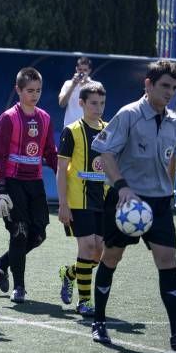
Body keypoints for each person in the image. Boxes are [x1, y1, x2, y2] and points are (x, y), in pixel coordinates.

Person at [89, 60, 176, 351]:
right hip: (127, 201)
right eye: (164, 86)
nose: (169, 92)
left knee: (168, 260)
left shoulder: (174, 121)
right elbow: (107, 154)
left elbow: (171, 159)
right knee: (111, 258)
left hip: (159, 203)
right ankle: (99, 321)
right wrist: (122, 188)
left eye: (173, 87)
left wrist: (169, 192)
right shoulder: (129, 115)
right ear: (148, 85)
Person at [0, 67, 58, 303]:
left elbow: (49, 151)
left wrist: (63, 173)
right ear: (18, 90)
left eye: (38, 90)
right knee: (19, 233)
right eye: (29, 90)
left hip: (35, 183)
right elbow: (0, 154)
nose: (35, 94)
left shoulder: (45, 118)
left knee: (38, 236)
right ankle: (19, 287)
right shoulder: (8, 118)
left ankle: (2, 262)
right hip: (13, 182)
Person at [56, 81, 107, 317]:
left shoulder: (109, 130)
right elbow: (61, 169)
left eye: (102, 103)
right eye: (93, 103)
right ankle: (84, 301)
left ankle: (70, 273)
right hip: (79, 199)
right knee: (87, 246)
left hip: (103, 200)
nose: (98, 108)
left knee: (100, 250)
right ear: (82, 103)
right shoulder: (72, 131)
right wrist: (63, 204)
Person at [58, 57, 93, 128]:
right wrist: (73, 85)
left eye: (85, 70)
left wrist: (87, 85)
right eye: (80, 70)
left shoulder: (95, 85)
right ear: (76, 69)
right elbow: (62, 104)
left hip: (87, 127)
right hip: (70, 127)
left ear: (89, 71)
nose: (82, 73)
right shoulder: (68, 84)